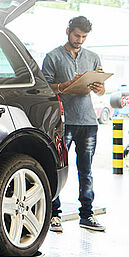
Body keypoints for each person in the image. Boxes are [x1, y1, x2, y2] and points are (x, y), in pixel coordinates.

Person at [41, 16, 106, 233]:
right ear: (68, 30)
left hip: (88, 121)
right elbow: (45, 89)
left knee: (85, 170)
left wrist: (98, 88)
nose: (80, 40)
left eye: (84, 37)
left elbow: (101, 89)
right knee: (57, 168)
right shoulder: (53, 57)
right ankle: (53, 215)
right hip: (63, 122)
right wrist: (66, 85)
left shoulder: (93, 57)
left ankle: (87, 215)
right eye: (77, 35)